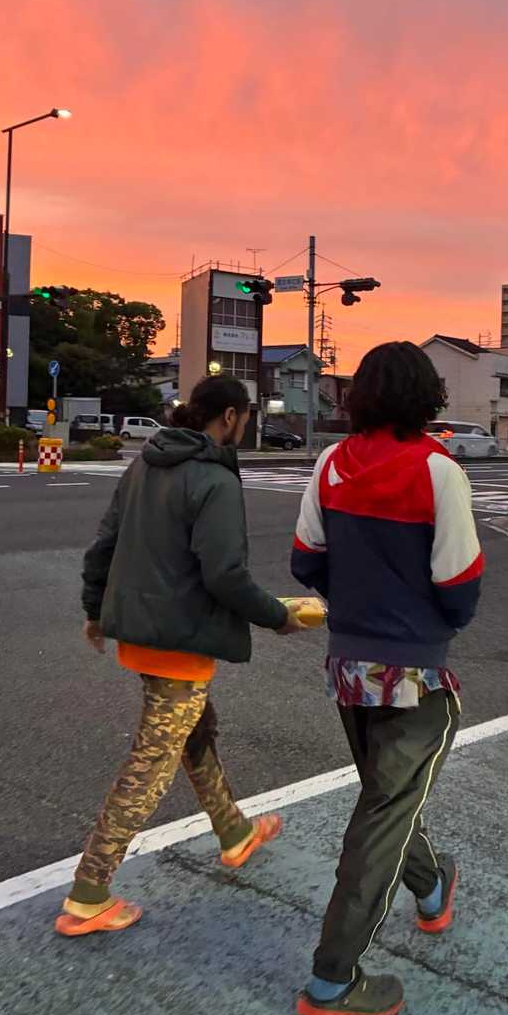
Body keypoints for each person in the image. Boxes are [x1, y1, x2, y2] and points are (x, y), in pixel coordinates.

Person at [56, 374, 303, 937]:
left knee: (193, 730)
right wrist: (278, 616)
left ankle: (234, 831)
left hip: (139, 629)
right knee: (149, 764)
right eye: (246, 418)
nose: (246, 427)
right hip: (180, 639)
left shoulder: (145, 464)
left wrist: (95, 611)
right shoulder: (215, 478)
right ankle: (89, 893)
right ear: (231, 416)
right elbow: (225, 574)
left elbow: (104, 545)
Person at [291, 342, 484, 1015]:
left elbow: (305, 560)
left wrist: (353, 603)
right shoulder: (437, 470)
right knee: (382, 815)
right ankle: (333, 979)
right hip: (414, 672)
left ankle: (432, 888)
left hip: (348, 668)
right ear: (427, 396)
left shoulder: (331, 464)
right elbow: (459, 584)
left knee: (387, 798)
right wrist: (427, 623)